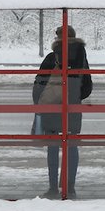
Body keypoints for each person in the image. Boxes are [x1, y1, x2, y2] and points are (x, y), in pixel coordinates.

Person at [32, 26, 93, 199]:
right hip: (72, 109)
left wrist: (43, 101)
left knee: (53, 146)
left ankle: (53, 187)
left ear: (58, 39)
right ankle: (70, 187)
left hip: (52, 109)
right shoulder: (82, 58)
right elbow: (87, 86)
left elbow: (39, 82)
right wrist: (73, 96)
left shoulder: (53, 57)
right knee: (71, 146)